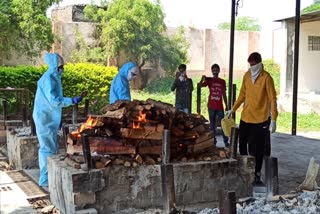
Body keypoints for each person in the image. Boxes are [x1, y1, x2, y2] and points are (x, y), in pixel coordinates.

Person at [33, 53, 87, 187]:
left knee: (51, 147)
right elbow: (54, 101)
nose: (62, 68)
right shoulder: (48, 79)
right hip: (44, 117)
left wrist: (58, 119)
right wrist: (72, 100)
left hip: (48, 117)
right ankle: (45, 180)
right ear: (55, 66)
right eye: (61, 66)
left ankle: (48, 177)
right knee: (47, 148)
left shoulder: (53, 77)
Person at [226, 52, 278, 185]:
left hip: (261, 119)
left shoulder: (266, 78)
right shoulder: (247, 75)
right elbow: (242, 95)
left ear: (260, 63)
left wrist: (274, 119)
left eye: (254, 64)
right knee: (242, 144)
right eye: (250, 65)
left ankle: (256, 174)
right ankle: (245, 170)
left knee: (258, 148)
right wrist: (233, 108)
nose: (252, 67)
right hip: (246, 117)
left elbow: (272, 98)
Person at [199, 64, 229, 147]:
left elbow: (224, 94)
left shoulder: (222, 81)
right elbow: (200, 86)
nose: (215, 71)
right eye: (214, 70)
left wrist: (227, 105)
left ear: (219, 71)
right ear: (212, 71)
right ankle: (213, 142)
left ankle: (226, 142)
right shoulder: (209, 80)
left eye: (216, 70)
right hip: (211, 106)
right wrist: (202, 79)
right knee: (212, 125)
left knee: (223, 124)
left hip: (220, 107)